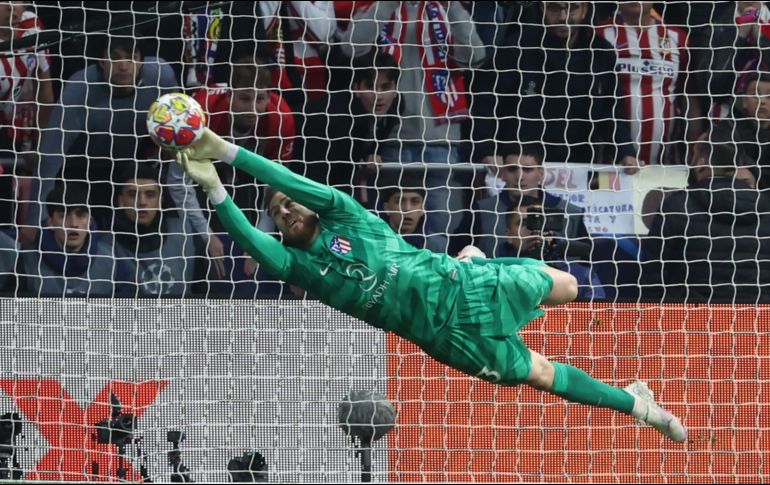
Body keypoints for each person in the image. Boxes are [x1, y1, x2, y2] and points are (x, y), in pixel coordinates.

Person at [170, 128, 688, 443]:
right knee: (541, 375)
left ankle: (472, 258)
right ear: (279, 230)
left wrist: (227, 153)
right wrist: (213, 188)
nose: (286, 208)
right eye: (278, 214)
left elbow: (288, 178)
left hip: (468, 287)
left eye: (288, 202)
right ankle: (639, 405)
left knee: (571, 287)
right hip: (447, 339)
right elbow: (249, 241)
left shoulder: (348, 218)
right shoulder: (304, 270)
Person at [642, 123, 770, 303]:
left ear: (701, 163)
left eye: (694, 154)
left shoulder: (677, 206)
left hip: (692, 323)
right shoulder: (765, 209)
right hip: (758, 324)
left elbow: (652, 278)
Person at [20, 183, 126, 297]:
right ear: (50, 222)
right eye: (64, 216)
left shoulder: (112, 259)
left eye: (81, 216)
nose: (73, 224)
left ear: (90, 221)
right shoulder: (27, 260)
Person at [112, 166, 199, 298]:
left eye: (150, 194)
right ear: (120, 201)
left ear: (160, 200)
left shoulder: (185, 233)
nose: (142, 202)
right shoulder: (106, 246)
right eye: (133, 194)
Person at [379, 172, 448, 253]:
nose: (407, 209)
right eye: (400, 201)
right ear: (386, 208)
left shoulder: (438, 245)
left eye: (415, 202)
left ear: (423, 209)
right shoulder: (373, 241)